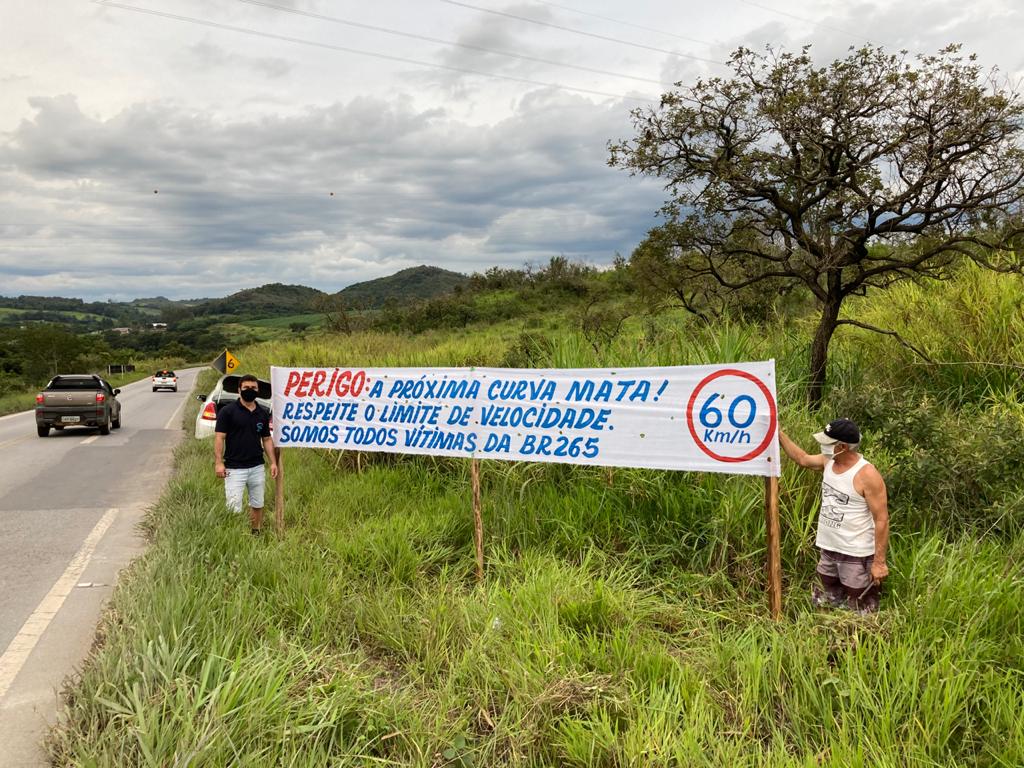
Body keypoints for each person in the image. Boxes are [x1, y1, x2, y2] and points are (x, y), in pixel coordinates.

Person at [778, 418, 889, 613]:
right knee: (825, 600)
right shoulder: (828, 461)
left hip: (856, 553)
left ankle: (858, 640)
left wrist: (879, 563)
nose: (823, 446)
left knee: (860, 605)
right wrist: (779, 434)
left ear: (843, 446)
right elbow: (802, 459)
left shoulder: (867, 474)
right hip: (829, 549)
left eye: (828, 443)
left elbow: (881, 519)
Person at [214, 374, 278, 535]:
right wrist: (219, 462)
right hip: (234, 468)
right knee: (233, 506)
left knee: (258, 503)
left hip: (257, 466)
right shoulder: (227, 412)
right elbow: (220, 437)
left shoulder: (262, 414)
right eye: (246, 388)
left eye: (253, 388)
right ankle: (234, 536)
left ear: (257, 390)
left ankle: (255, 532)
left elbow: (267, 439)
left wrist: (273, 462)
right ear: (239, 390)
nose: (250, 391)